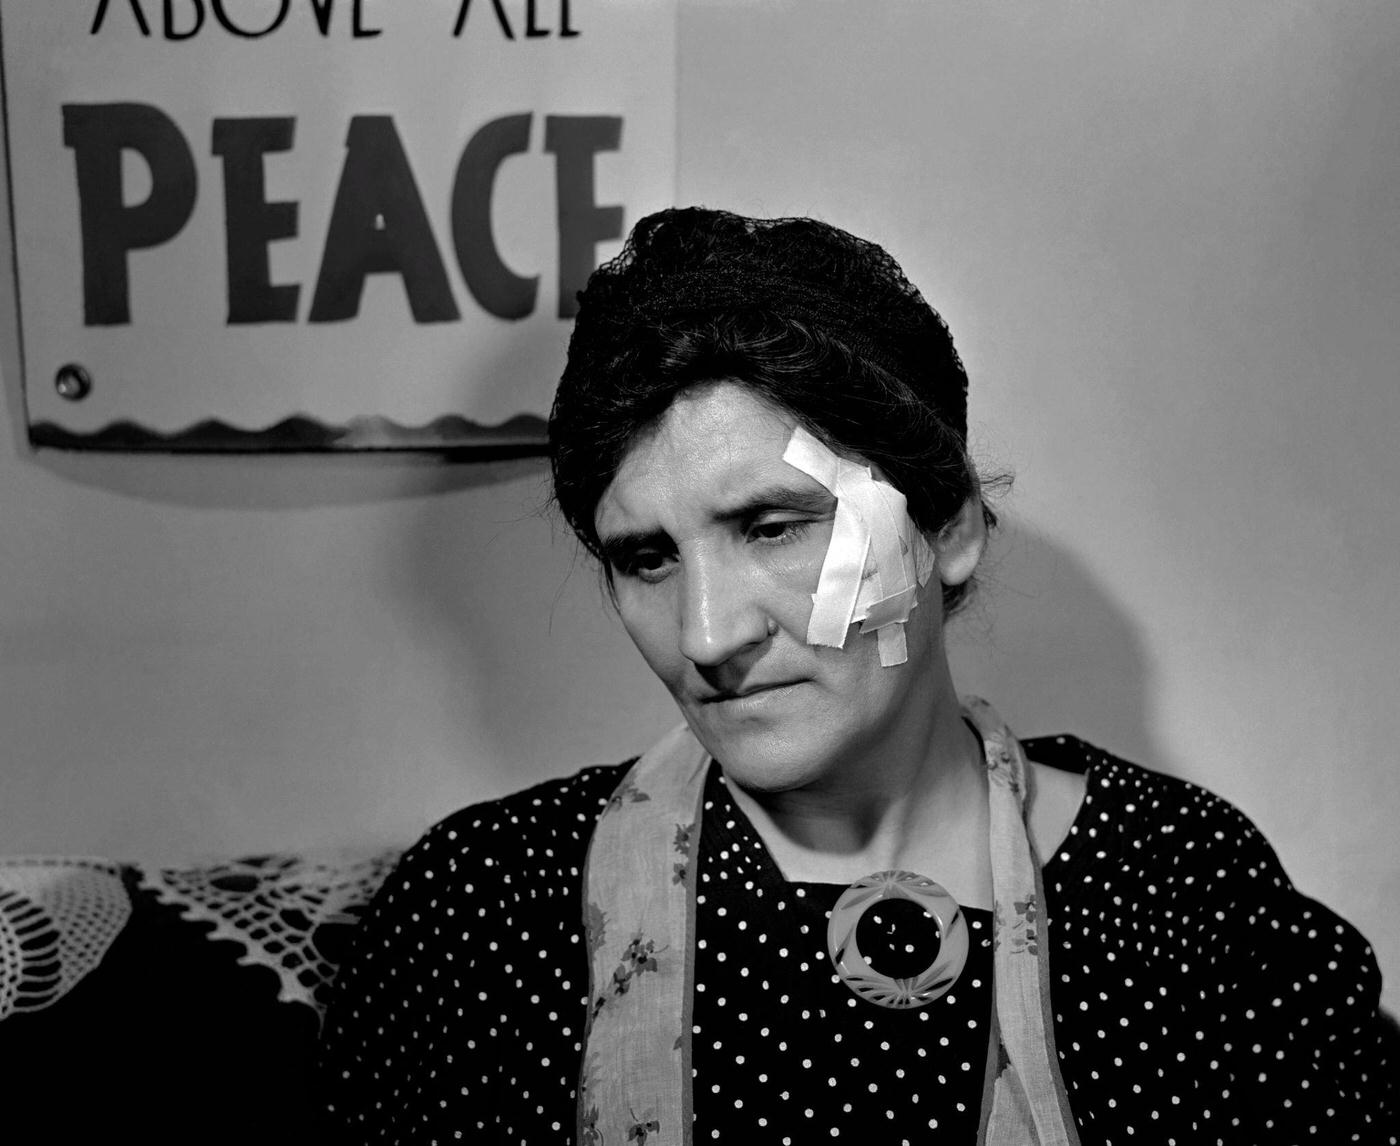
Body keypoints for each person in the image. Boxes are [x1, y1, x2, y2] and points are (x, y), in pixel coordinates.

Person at [318, 208, 1397, 1144]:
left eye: (773, 526)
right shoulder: (489, 908)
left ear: (952, 530)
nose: (704, 635)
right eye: (645, 557)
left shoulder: (1174, 891)